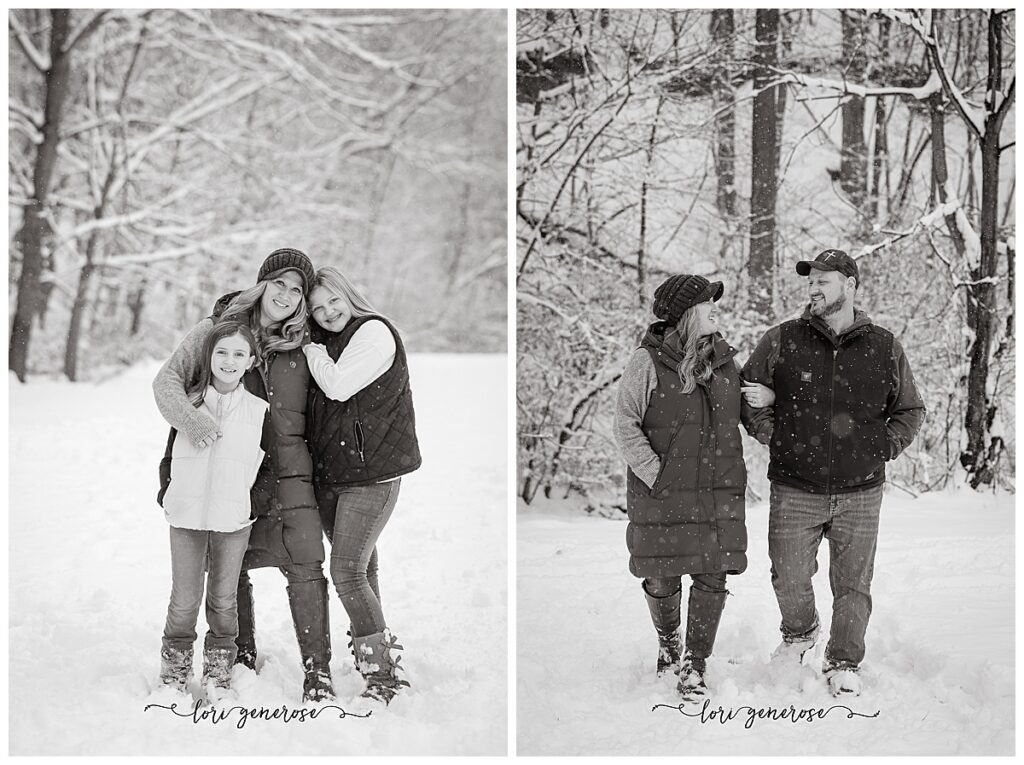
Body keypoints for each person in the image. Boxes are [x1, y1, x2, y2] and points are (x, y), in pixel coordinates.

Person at [153, 248, 335, 702]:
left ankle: (313, 669)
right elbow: (168, 383)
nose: (286, 296)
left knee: (301, 563)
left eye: (297, 290)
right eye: (279, 283)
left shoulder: (304, 341)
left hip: (282, 472)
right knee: (222, 577)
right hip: (214, 476)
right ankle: (237, 657)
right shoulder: (217, 330)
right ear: (261, 284)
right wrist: (192, 427)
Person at [741, 248, 925, 697]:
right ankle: (800, 633)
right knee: (788, 574)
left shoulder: (884, 347)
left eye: (823, 281)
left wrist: (883, 447)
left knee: (853, 583)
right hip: (795, 485)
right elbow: (747, 394)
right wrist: (774, 436)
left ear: (850, 285)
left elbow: (910, 409)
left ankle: (843, 661)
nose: (814, 289)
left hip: (861, 490)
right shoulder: (782, 339)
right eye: (811, 281)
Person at [613, 274, 770, 702]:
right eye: (707, 304)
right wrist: (656, 474)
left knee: (712, 574)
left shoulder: (725, 362)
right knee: (661, 574)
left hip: (717, 490)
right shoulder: (646, 362)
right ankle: (669, 645)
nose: (715, 311)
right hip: (662, 491)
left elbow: (748, 413)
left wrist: (772, 408)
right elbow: (625, 424)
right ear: (686, 314)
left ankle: (695, 663)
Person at [303, 266, 422, 704]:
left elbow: (337, 385)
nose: (328, 312)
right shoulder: (331, 341)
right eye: (317, 308)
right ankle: (371, 652)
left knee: (347, 571)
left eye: (334, 300)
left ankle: (382, 675)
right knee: (362, 569)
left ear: (349, 295)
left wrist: (309, 347)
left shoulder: (373, 332)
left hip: (371, 476)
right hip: (335, 474)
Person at [156, 321, 270, 698]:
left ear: (250, 361)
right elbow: (169, 455)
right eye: (221, 352)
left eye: (238, 353)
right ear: (208, 357)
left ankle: (218, 673)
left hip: (233, 521)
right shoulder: (187, 404)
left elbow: (269, 465)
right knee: (183, 600)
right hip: (185, 518)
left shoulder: (259, 411)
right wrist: (168, 492)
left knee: (223, 600)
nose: (229, 360)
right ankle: (174, 673)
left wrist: (252, 502)